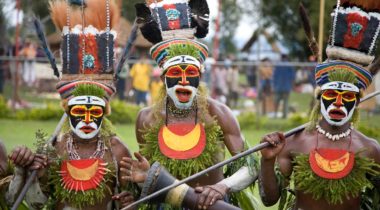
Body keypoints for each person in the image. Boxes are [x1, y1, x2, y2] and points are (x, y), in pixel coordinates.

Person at [6, 1, 137, 209]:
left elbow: (130, 200)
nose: (87, 120)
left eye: (94, 112)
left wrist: (131, 201)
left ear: (104, 112)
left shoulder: (118, 152)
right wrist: (27, 171)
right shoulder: (55, 149)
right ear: (67, 111)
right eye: (79, 111)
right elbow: (35, 203)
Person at [131, 1, 258, 209]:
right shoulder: (146, 118)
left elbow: (251, 168)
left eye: (190, 73)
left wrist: (222, 187)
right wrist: (133, 191)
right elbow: (146, 175)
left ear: (200, 75)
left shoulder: (218, 113)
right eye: (175, 73)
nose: (183, 81)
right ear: (163, 77)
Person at [259, 1, 380, 210]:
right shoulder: (295, 142)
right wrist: (267, 161)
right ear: (320, 96)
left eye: (347, 97)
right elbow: (269, 200)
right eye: (332, 94)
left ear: (357, 102)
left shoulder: (369, 149)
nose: (338, 103)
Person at [272, 54, 295, 118]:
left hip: (278, 87)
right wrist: (292, 86)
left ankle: (275, 114)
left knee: (276, 101)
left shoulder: (277, 65)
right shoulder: (289, 65)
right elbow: (292, 77)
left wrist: (273, 86)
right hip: (286, 87)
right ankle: (284, 116)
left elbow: (274, 76)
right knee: (285, 102)